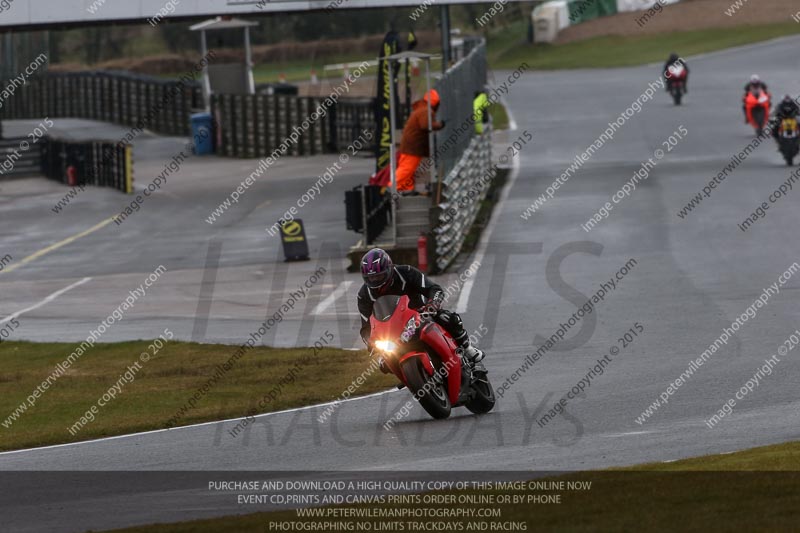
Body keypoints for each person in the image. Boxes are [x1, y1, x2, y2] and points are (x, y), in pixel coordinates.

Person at [357, 248, 485, 368]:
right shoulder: (364, 295)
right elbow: (365, 327)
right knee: (385, 364)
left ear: (389, 269)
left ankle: (468, 348)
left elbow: (434, 289)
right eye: (370, 278)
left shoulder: (406, 272)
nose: (374, 281)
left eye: (378, 276)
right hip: (393, 332)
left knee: (447, 318)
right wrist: (371, 343)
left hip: (421, 315)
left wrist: (432, 304)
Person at [396, 89, 444, 195]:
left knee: (409, 169)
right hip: (413, 147)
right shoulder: (426, 111)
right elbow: (425, 125)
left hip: (412, 145)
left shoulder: (421, 109)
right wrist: (439, 125)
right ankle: (393, 188)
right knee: (407, 168)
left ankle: (405, 189)